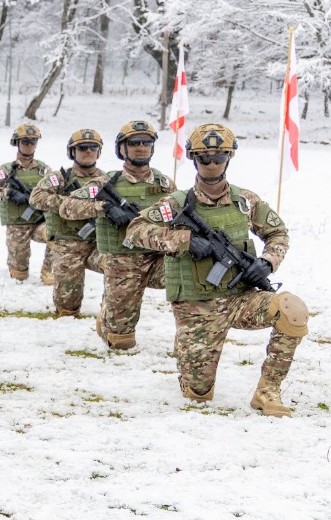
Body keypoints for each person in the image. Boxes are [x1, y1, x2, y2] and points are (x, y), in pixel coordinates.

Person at [125, 123, 306, 417]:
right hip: (196, 305)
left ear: (229, 158)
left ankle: (268, 392)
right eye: (203, 158)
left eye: (218, 158)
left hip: (240, 299)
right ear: (194, 160)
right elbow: (135, 230)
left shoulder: (245, 201)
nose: (211, 164)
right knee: (199, 394)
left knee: (292, 309)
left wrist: (267, 261)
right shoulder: (176, 203)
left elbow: (278, 233)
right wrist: (184, 240)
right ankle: (187, 345)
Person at [60, 120, 175, 349]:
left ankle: (191, 340)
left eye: (147, 142)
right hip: (123, 261)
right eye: (134, 142)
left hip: (158, 258)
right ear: (122, 149)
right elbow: (66, 207)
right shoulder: (105, 183)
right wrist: (103, 208)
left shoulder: (164, 184)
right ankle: (109, 311)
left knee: (187, 277)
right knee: (121, 342)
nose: (141, 147)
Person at [29, 129, 107, 316]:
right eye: (82, 147)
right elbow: (36, 197)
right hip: (68, 241)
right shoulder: (60, 177)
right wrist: (69, 204)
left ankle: (112, 311)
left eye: (92, 147)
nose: (88, 151)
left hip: (99, 241)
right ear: (72, 151)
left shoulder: (107, 179)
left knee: (119, 268)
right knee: (67, 306)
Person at [0, 122, 54, 283]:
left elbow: (56, 191)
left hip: (38, 221)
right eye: (25, 142)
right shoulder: (7, 170)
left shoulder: (44, 170)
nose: (29, 146)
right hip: (17, 226)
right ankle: (19, 271)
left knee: (55, 234)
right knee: (19, 274)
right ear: (17, 143)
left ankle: (49, 271)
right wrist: (9, 193)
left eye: (33, 142)